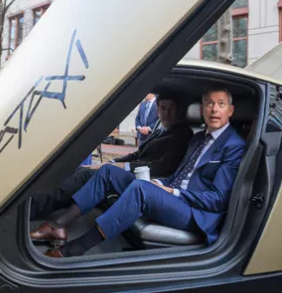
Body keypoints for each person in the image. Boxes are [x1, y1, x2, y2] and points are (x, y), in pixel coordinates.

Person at [35, 88, 247, 258]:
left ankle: (76, 248)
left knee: (140, 189)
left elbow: (218, 200)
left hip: (196, 214)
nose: (214, 109)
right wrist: (160, 183)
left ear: (231, 110)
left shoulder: (234, 145)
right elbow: (176, 177)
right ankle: (57, 225)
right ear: (202, 108)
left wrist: (170, 192)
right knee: (108, 171)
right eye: (209, 103)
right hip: (175, 197)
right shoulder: (197, 140)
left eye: (221, 104)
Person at [29, 93, 194, 222]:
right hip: (132, 173)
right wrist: (112, 162)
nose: (166, 113)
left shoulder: (182, 133)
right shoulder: (160, 131)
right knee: (81, 170)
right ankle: (41, 203)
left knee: (87, 175)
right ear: (157, 110)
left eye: (171, 108)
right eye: (163, 108)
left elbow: (161, 166)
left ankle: (34, 208)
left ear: (179, 111)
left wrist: (119, 167)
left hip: (146, 181)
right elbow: (137, 154)